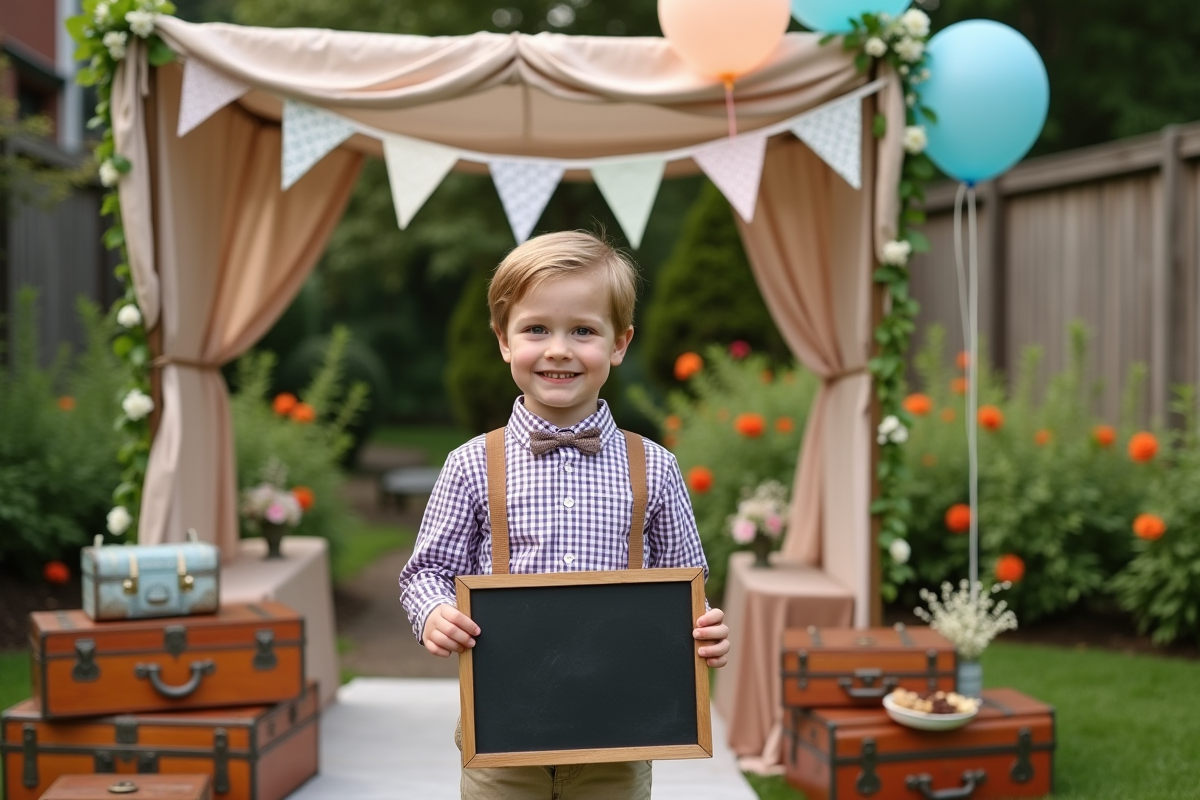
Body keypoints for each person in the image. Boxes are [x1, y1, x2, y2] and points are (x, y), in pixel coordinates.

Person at [399, 230, 730, 800]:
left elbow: (685, 589)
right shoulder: (471, 465)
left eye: (583, 330)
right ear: (503, 340)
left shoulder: (656, 467)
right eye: (536, 329)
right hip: (502, 735)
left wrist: (704, 630)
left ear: (619, 343)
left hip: (618, 738)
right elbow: (425, 573)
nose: (558, 349)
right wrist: (434, 613)